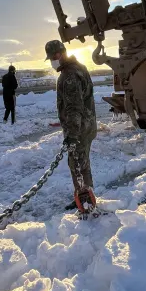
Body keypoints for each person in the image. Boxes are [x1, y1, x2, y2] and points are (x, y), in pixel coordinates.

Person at [44, 40, 98, 214]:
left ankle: (84, 200)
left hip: (79, 130)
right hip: (87, 125)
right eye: (51, 58)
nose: (53, 61)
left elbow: (74, 107)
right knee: (83, 163)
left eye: (54, 56)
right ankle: (86, 195)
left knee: (77, 164)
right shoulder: (79, 67)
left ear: (61, 53)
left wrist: (72, 135)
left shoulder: (69, 75)